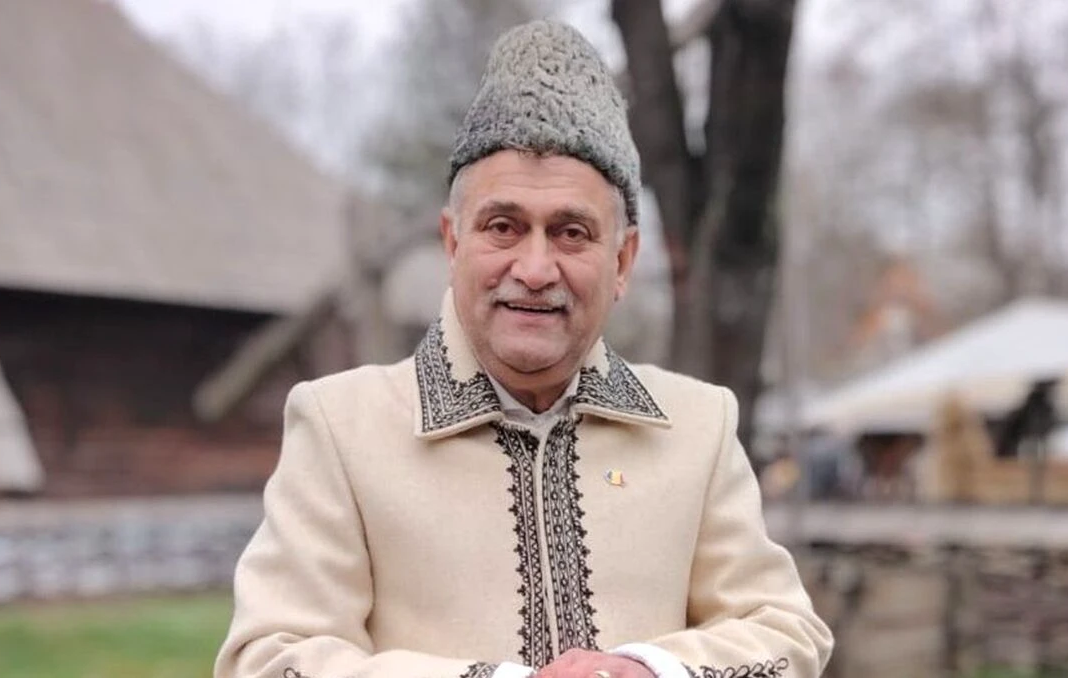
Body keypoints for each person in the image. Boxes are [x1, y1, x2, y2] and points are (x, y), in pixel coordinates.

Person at [215, 19, 833, 678]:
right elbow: (271, 658)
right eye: (503, 227)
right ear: (453, 243)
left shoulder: (698, 426)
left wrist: (651, 670)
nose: (535, 270)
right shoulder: (341, 427)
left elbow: (786, 632)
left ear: (623, 261)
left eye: (572, 233)